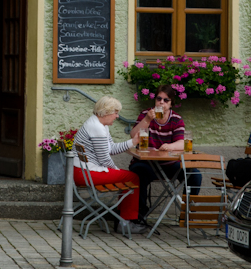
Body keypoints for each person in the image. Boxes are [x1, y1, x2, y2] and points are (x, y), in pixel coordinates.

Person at [127, 84, 202, 229]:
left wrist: (170, 146)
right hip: (146, 163)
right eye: (159, 99)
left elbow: (182, 142)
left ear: (171, 103)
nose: (161, 102)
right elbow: (133, 136)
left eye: (166, 100)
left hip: (169, 165)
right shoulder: (145, 115)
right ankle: (140, 216)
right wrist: (147, 120)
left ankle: (188, 214)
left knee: (194, 174)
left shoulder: (176, 119)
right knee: (138, 173)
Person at [72, 96, 147, 235]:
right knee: (133, 178)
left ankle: (123, 220)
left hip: (83, 171)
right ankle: (125, 223)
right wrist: (117, 171)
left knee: (129, 177)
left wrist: (133, 142)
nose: (117, 116)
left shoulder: (100, 125)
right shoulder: (97, 128)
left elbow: (111, 148)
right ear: (106, 112)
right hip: (86, 174)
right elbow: (104, 158)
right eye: (115, 112)